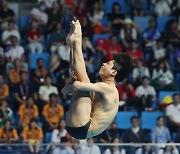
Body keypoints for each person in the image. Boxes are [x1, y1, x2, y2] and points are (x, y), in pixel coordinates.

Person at [61, 19, 132, 139]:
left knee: (84, 83)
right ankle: (73, 45)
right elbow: (67, 91)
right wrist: (71, 84)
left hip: (83, 127)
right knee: (81, 83)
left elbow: (77, 86)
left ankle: (77, 42)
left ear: (113, 72)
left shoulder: (109, 89)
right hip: (78, 125)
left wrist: (73, 84)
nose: (104, 63)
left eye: (108, 64)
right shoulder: (101, 87)